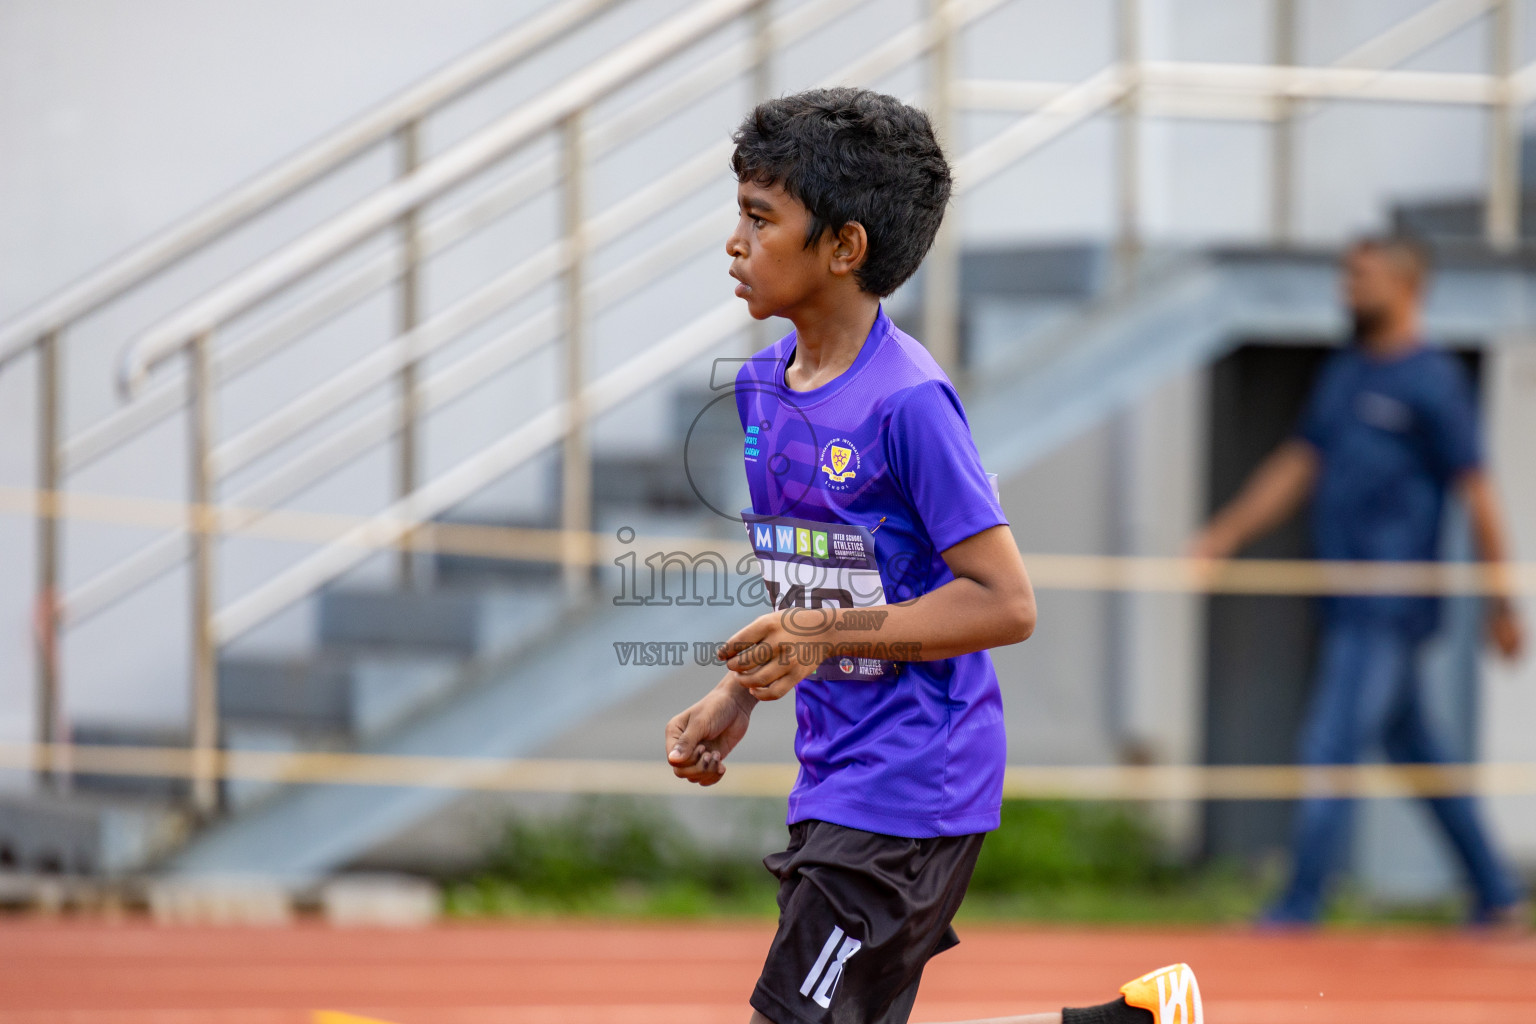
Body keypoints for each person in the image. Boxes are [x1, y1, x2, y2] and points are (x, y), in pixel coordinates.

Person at [664, 88, 1204, 1024]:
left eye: (761, 218)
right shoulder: (758, 390)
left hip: (912, 784)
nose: (734, 242)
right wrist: (743, 688)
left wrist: (822, 635)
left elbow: (1005, 603)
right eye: (738, 214)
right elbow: (813, 583)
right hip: (834, 769)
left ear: (843, 247)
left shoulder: (908, 403)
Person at [1191, 236, 1527, 927]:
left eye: (1362, 276)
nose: (1348, 287)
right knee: (1418, 751)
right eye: (1346, 274)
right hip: (1342, 596)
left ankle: (1300, 902)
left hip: (1391, 604)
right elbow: (1297, 465)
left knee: (1331, 744)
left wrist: (1502, 601)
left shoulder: (1434, 381)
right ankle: (1496, 892)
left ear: (1408, 286)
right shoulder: (1345, 373)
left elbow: (1480, 495)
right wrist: (1225, 534)